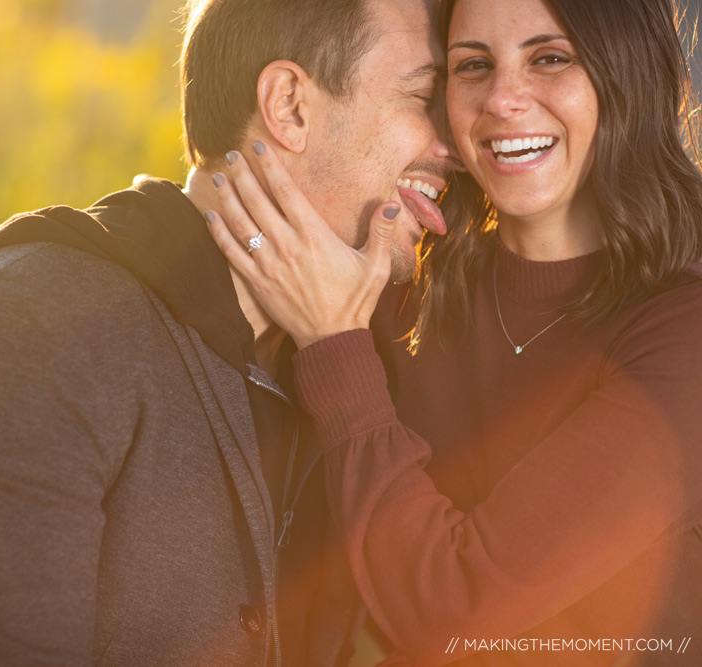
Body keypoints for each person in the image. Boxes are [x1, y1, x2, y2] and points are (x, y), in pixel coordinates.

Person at [0, 0, 455, 664]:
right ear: (289, 105)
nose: (452, 144)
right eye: (425, 96)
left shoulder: (339, 367)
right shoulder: (25, 331)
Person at [206, 0, 702, 663]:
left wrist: (334, 345)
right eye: (472, 66)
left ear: (625, 74)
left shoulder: (683, 331)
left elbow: (454, 607)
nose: (502, 98)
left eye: (549, 58)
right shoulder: (400, 293)